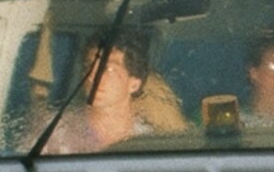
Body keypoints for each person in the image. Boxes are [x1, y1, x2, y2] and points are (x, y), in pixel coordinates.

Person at [40, 36, 182, 154]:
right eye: (88, 67)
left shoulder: (148, 141)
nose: (93, 76)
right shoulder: (54, 132)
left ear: (134, 84)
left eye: (108, 69)